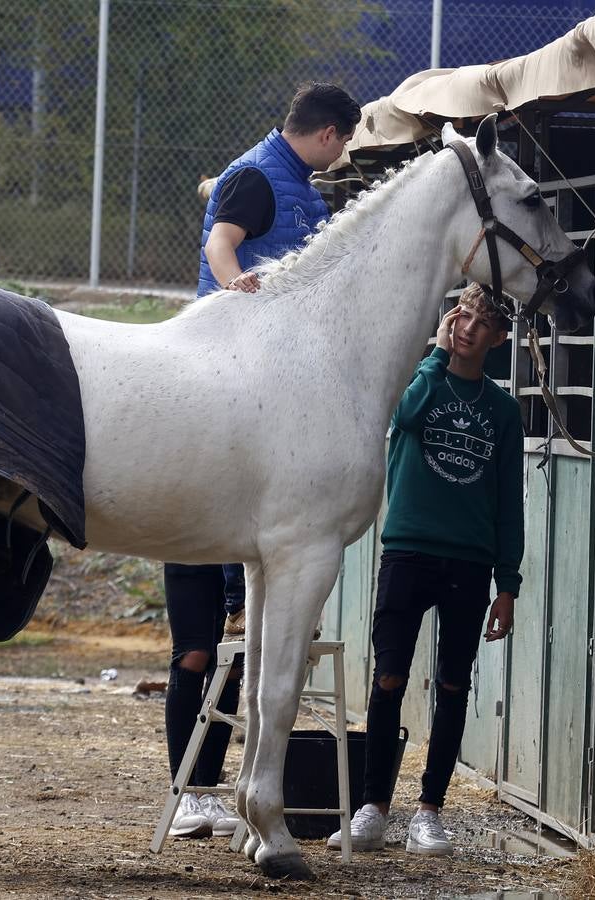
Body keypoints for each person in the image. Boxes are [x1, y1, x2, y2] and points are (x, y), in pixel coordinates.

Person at [167, 81, 361, 839]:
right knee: (200, 646)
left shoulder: (304, 190)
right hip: (232, 383)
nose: (341, 155)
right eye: (341, 143)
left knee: (243, 643)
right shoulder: (255, 175)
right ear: (326, 134)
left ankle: (246, 783)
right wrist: (236, 289)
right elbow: (220, 243)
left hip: (275, 405)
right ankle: (191, 788)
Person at [328, 283, 524, 856]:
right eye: (460, 315)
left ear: (498, 338)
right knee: (388, 679)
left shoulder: (502, 410)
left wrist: (507, 585)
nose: (466, 327)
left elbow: (508, 501)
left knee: (453, 685)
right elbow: (407, 417)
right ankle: (372, 807)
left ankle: (429, 810)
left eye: (480, 323)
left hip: (469, 560)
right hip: (408, 551)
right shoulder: (420, 381)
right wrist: (434, 356)